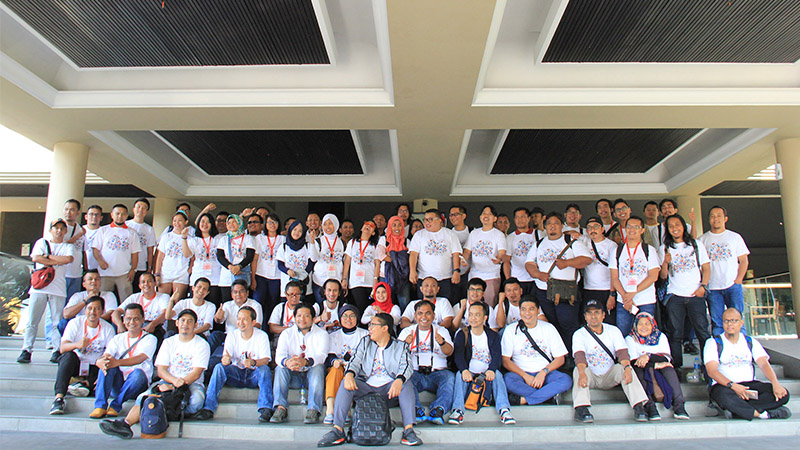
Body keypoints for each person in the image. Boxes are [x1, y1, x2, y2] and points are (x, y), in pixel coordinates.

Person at [99, 309, 210, 439]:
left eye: (190, 321)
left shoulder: (202, 344)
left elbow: (196, 373)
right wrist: (171, 383)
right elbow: (161, 370)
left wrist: (174, 386)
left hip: (191, 384)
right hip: (167, 381)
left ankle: (160, 409)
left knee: (196, 402)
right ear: (177, 323)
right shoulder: (168, 342)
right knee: (142, 398)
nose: (185, 324)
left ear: (195, 325)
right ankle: (125, 424)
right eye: (183, 321)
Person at [317, 312, 421, 447]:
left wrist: (399, 380)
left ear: (385, 328)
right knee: (345, 383)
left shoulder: (400, 346)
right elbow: (355, 360)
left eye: (373, 325)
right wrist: (349, 374)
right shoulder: (365, 342)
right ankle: (338, 430)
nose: (369, 328)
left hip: (389, 390)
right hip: (366, 389)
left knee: (406, 384)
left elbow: (407, 366)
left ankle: (409, 431)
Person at [706, 308, 791, 420]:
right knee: (723, 396)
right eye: (726, 321)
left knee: (784, 394)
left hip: (749, 386)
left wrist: (775, 384)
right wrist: (734, 386)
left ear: (741, 323)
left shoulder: (750, 342)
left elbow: (764, 364)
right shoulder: (713, 343)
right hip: (726, 386)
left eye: (734, 320)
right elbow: (712, 371)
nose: (729, 324)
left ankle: (738, 410)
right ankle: (762, 414)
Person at [572, 299, 649, 423]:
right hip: (590, 376)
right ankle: (581, 408)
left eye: (596, 312)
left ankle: (639, 406)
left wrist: (627, 368)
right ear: (585, 317)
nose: (593, 316)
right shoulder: (579, 334)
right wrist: (582, 373)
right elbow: (579, 356)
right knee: (578, 370)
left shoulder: (613, 331)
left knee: (625, 368)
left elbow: (622, 353)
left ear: (603, 315)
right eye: (589, 313)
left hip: (609, 375)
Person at [525, 212, 592, 350]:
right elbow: (529, 263)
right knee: (551, 325)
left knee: (568, 324)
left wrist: (567, 263)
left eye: (556, 223)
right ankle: (557, 354)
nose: (552, 226)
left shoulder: (571, 241)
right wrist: (537, 274)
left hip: (566, 291)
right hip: (544, 291)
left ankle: (572, 354)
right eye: (549, 223)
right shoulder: (539, 244)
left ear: (562, 226)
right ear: (545, 227)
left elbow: (587, 259)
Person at [195, 306, 274, 422]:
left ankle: (266, 408)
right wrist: (225, 360)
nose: (241, 322)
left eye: (245, 319)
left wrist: (253, 362)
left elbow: (266, 360)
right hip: (237, 374)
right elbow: (226, 357)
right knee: (219, 367)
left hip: (253, 375)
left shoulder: (261, 336)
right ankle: (208, 408)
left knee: (264, 370)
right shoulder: (232, 335)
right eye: (239, 319)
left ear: (253, 322)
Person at [19, 218, 76, 364]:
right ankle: (26, 349)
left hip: (58, 289)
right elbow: (36, 257)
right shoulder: (41, 242)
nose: (59, 231)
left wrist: (47, 257)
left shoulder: (68, 246)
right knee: (32, 320)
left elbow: (68, 259)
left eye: (62, 228)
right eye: (56, 228)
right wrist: (56, 261)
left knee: (57, 321)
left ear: (65, 231)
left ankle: (56, 350)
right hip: (39, 288)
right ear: (51, 230)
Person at [659, 214, 711, 370]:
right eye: (671, 226)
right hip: (675, 296)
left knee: (702, 332)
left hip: (695, 295)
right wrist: (665, 263)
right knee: (675, 333)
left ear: (683, 226)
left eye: (677, 224)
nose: (674, 228)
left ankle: (708, 365)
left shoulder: (695, 245)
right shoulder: (664, 248)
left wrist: (703, 287)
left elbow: (706, 268)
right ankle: (676, 367)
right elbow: (663, 276)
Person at [450, 302, 516, 425]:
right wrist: (464, 370)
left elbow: (497, 356)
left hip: (487, 372)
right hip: (470, 371)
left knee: (498, 375)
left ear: (485, 318)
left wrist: (491, 369)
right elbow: (458, 356)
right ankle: (458, 411)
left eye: (477, 315)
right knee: (459, 375)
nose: (473, 318)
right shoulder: (462, 334)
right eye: (470, 315)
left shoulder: (492, 335)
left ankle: (504, 410)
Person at [50, 295, 115, 414]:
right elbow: (63, 348)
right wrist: (78, 344)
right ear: (85, 310)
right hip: (77, 363)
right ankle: (59, 399)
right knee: (67, 356)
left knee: (107, 366)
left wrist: (102, 366)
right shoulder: (75, 323)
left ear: (102, 311)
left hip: (95, 365)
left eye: (97, 309)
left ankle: (82, 384)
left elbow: (110, 353)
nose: (92, 312)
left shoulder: (108, 328)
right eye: (89, 308)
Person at [501, 296, 571, 406]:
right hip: (521, 375)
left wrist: (543, 373)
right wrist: (525, 376)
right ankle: (547, 397)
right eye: (523, 309)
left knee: (565, 380)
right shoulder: (511, 330)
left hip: (546, 374)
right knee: (507, 380)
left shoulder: (548, 328)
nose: (527, 313)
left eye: (531, 309)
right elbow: (505, 360)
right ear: (520, 311)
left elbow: (560, 358)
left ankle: (526, 400)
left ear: (538, 311)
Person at [91, 303, 157, 418]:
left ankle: (115, 405)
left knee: (138, 373)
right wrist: (100, 362)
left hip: (137, 384)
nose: (132, 322)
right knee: (106, 365)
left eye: (136, 319)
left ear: (143, 320)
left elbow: (140, 358)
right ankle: (100, 406)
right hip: (119, 383)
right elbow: (106, 356)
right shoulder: (117, 338)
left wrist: (117, 362)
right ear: (123, 320)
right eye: (128, 319)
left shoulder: (150, 338)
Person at [271, 303, 330, 424]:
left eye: (306, 316)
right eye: (299, 316)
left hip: (312, 377)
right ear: (294, 317)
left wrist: (306, 362)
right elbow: (279, 356)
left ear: (313, 318)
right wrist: (287, 362)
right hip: (293, 376)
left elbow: (322, 355)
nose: (302, 319)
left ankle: (313, 409)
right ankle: (280, 407)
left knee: (318, 367)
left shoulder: (322, 334)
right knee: (280, 368)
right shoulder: (286, 333)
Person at [398, 300, 454, 425]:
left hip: (437, 373)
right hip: (415, 373)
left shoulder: (441, 331)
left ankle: (438, 410)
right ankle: (416, 409)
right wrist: (405, 344)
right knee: (404, 378)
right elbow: (396, 356)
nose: (424, 317)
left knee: (450, 377)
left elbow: (449, 352)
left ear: (434, 316)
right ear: (415, 316)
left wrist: (442, 343)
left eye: (428, 313)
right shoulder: (407, 331)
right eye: (420, 313)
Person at [625, 312, 689, 421]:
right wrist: (656, 364)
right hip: (643, 369)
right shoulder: (630, 339)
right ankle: (650, 406)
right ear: (635, 325)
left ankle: (679, 406)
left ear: (652, 325)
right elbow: (635, 362)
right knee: (637, 370)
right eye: (640, 324)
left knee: (669, 369)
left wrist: (648, 356)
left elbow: (666, 358)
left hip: (656, 369)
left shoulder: (660, 337)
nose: (644, 327)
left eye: (647, 324)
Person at [698, 206, 750, 336]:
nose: (715, 219)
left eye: (719, 216)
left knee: (737, 318)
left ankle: (741, 345)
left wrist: (738, 280)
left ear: (725, 219)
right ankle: (719, 346)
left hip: (732, 285)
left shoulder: (734, 237)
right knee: (717, 321)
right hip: (712, 287)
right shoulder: (702, 240)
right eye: (712, 216)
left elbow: (744, 260)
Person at [609, 215, 660, 336]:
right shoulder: (617, 251)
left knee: (646, 334)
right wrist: (625, 297)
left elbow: (653, 276)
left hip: (645, 300)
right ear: (625, 229)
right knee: (623, 334)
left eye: (636, 227)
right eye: (629, 227)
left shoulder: (649, 250)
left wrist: (632, 293)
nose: (632, 230)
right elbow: (614, 278)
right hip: (623, 301)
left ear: (642, 230)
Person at [322, 304, 368, 424]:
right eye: (345, 316)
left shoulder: (365, 335)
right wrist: (335, 361)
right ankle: (331, 409)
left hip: (357, 369)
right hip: (339, 366)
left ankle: (346, 409)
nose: (348, 319)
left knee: (349, 374)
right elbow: (330, 356)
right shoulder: (333, 335)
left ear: (357, 318)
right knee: (335, 371)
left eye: (352, 316)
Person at [409, 209, 462, 304]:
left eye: (430, 219)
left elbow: (456, 254)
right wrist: (412, 271)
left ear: (439, 220)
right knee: (424, 306)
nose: (427, 222)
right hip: (424, 278)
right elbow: (413, 254)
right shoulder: (419, 235)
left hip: (445, 278)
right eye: (425, 220)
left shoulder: (450, 234)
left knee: (445, 305)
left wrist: (456, 271)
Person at [92, 204, 141, 303]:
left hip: (124, 273)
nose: (120, 216)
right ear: (112, 215)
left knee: (126, 301)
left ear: (126, 216)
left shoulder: (132, 232)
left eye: (123, 214)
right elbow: (95, 249)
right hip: (105, 273)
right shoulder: (103, 230)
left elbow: (135, 253)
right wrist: (100, 261)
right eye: (117, 213)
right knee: (103, 300)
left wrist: (133, 269)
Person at [463, 205, 507, 307]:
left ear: (495, 218)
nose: (486, 216)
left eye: (489, 214)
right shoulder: (474, 233)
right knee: (472, 305)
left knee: (489, 305)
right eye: (484, 213)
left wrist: (499, 259)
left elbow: (502, 253)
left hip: (491, 275)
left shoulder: (498, 234)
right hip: (474, 275)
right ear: (480, 217)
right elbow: (467, 251)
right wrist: (463, 259)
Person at [208, 279, 263, 357]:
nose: (238, 294)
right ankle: (205, 358)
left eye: (241, 291)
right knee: (215, 335)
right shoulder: (227, 305)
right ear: (231, 294)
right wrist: (218, 317)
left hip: (247, 337)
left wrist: (242, 330)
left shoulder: (255, 305)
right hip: (229, 336)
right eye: (235, 292)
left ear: (247, 293)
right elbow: (219, 321)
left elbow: (257, 325)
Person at [582, 217, 618, 326]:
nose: (592, 230)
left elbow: (614, 271)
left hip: (606, 289)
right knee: (590, 321)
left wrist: (612, 294)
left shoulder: (611, 245)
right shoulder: (584, 243)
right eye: (589, 228)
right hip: (588, 289)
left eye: (596, 227)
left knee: (608, 321)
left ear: (602, 229)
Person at [113, 272, 169, 342]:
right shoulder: (134, 297)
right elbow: (116, 312)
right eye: (143, 282)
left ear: (155, 283)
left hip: (155, 328)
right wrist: (119, 325)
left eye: (149, 281)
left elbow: (164, 314)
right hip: (136, 326)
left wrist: (152, 325)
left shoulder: (163, 297)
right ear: (139, 286)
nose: (146, 284)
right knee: (117, 323)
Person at [182, 212, 223, 306]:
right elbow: (187, 255)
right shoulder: (194, 240)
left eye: (208, 222)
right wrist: (184, 238)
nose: (205, 224)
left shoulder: (218, 239)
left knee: (213, 305)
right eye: (202, 221)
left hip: (215, 278)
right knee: (195, 305)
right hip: (198, 276)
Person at [60, 270, 117, 335]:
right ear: (84, 284)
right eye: (90, 279)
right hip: (80, 325)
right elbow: (66, 314)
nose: (94, 281)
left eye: (97, 279)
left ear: (100, 283)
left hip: (100, 325)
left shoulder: (109, 295)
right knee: (63, 323)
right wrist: (86, 300)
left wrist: (93, 320)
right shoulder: (77, 296)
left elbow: (110, 313)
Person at [154, 210, 192, 304]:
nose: (177, 223)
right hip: (166, 273)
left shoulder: (190, 238)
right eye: (174, 220)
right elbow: (160, 256)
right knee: (163, 301)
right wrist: (157, 273)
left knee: (177, 302)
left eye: (180, 220)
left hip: (181, 273)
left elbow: (192, 257)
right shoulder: (167, 237)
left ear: (186, 222)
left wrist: (189, 270)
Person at [216, 214, 256, 303]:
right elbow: (220, 256)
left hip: (242, 273)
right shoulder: (223, 239)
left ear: (239, 223)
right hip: (226, 276)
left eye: (234, 222)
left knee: (243, 301)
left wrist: (239, 267)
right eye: (229, 223)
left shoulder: (248, 238)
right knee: (227, 303)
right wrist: (230, 267)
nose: (231, 224)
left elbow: (250, 256)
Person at [252, 212, 285, 318]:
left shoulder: (282, 239)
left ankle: (270, 326)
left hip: (276, 277)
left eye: (275, 222)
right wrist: (253, 278)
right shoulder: (259, 238)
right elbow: (255, 259)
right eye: (269, 222)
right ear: (265, 224)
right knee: (258, 303)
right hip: (260, 275)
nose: (272, 224)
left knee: (272, 304)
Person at [343, 220, 379, 313]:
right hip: (355, 282)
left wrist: (375, 279)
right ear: (361, 228)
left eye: (371, 226)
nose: (368, 226)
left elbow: (377, 263)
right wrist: (344, 279)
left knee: (369, 308)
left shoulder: (374, 246)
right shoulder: (352, 242)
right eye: (366, 224)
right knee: (360, 308)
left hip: (369, 282)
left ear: (373, 232)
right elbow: (347, 262)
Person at [377, 215, 412, 310]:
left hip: (403, 276)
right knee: (386, 303)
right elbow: (381, 256)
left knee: (404, 302)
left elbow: (410, 258)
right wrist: (400, 257)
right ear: (389, 226)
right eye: (394, 225)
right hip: (386, 275)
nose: (397, 228)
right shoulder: (384, 240)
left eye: (400, 225)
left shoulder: (406, 241)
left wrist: (391, 255)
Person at [310, 214, 345, 305]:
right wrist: (312, 242)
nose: (327, 227)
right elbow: (313, 258)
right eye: (325, 224)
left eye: (330, 223)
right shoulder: (319, 240)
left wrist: (344, 279)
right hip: (320, 281)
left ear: (336, 224)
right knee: (322, 306)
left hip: (336, 280)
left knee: (335, 307)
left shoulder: (342, 242)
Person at [125, 198, 156, 293]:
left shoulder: (149, 229)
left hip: (141, 266)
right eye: (138, 207)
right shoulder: (126, 225)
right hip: (125, 265)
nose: (141, 210)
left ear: (147, 212)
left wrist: (149, 267)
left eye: (144, 208)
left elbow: (150, 250)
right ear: (133, 209)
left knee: (138, 292)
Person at [276, 220, 314, 298]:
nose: (297, 232)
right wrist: (287, 271)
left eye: (300, 231)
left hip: (304, 285)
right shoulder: (283, 247)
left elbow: (312, 262)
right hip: (287, 284)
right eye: (295, 229)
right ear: (290, 230)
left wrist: (302, 275)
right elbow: (280, 265)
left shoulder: (307, 246)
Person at [503, 207, 536, 295]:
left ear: (529, 218)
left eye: (522, 217)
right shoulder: (510, 237)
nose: (520, 220)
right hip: (517, 279)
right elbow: (507, 261)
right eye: (517, 217)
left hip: (536, 279)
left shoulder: (538, 234)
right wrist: (509, 280)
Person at [83, 205, 104, 271]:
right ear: (86, 217)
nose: (94, 217)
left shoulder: (104, 232)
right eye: (91, 214)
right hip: (81, 269)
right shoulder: (80, 231)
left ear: (101, 218)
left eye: (97, 215)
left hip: (99, 269)